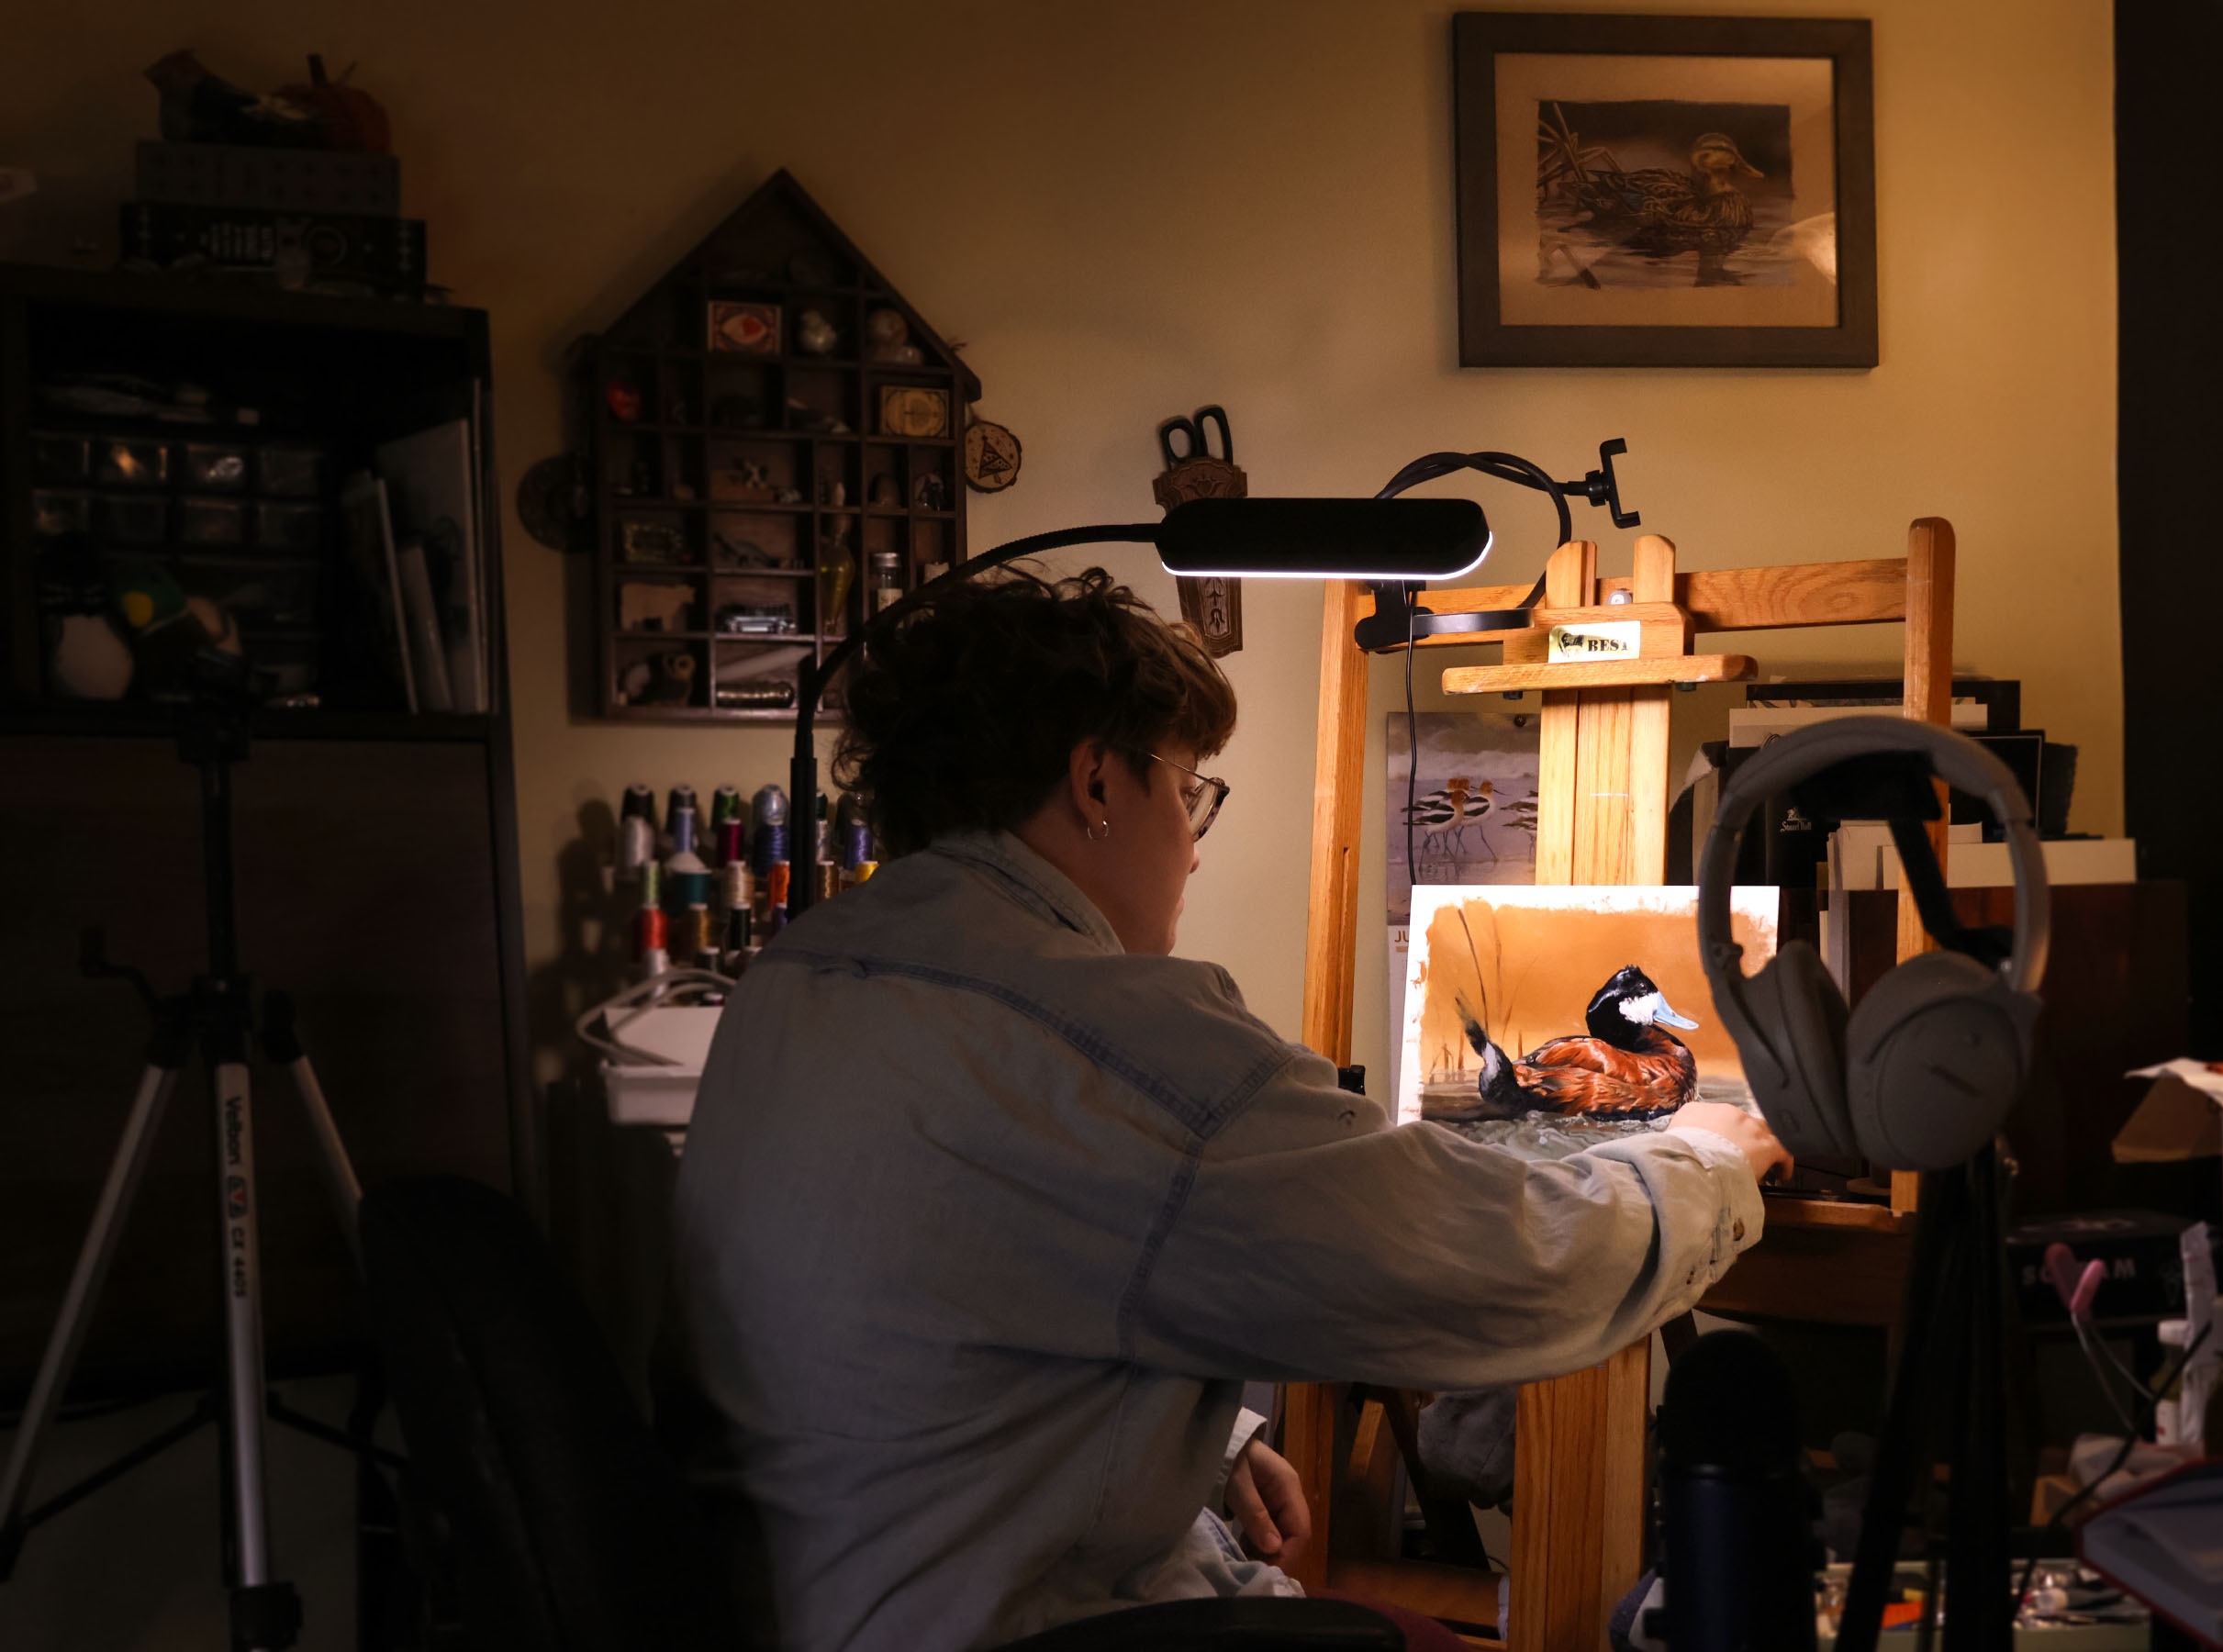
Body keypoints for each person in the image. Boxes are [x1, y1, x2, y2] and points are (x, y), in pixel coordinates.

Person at [672, 569, 1791, 1652]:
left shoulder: (802, 979)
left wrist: (1203, 1442)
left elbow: (939, 1317)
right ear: (1098, 782)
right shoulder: (1105, 1037)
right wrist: (1708, 1165)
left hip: (830, 1595)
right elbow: (1497, 1266)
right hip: (1005, 1621)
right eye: (1188, 789)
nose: (1195, 844)